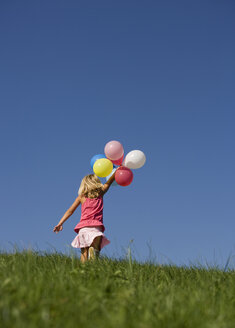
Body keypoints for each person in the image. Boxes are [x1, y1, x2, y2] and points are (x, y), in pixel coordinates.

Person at [53, 172, 115, 262]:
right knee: (96, 249)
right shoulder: (100, 193)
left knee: (84, 252)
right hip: (96, 227)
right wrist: (117, 171)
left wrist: (60, 223)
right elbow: (109, 181)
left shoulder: (81, 197)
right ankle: (93, 255)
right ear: (96, 182)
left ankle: (83, 270)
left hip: (83, 228)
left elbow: (70, 211)